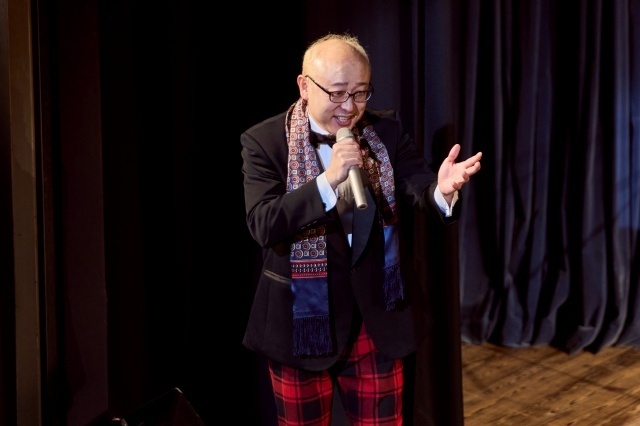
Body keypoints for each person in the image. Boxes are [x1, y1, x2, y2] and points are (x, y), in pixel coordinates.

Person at [240, 32, 482, 425]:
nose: (350, 107)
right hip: (300, 324)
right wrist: (328, 180)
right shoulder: (264, 142)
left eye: (360, 93)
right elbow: (264, 224)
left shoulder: (384, 132)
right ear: (304, 86)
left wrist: (441, 191)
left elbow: (418, 186)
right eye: (337, 93)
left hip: (376, 317)